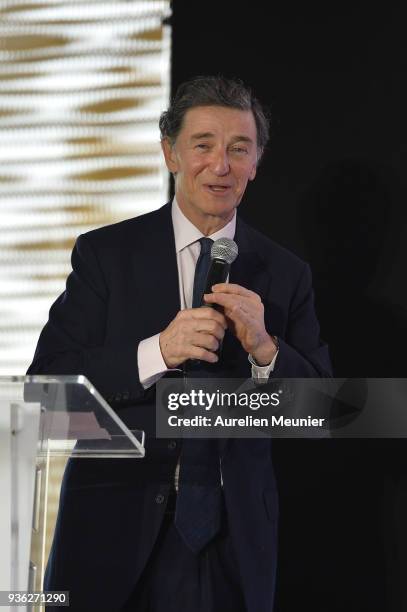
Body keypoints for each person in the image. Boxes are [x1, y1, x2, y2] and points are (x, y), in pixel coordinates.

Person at [27, 76, 332, 612]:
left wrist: (266, 349)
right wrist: (157, 352)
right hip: (112, 534)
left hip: (234, 543)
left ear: (256, 162)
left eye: (239, 149)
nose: (221, 165)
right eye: (203, 145)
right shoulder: (106, 255)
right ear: (170, 152)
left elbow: (324, 416)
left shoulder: (286, 274)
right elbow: (45, 400)